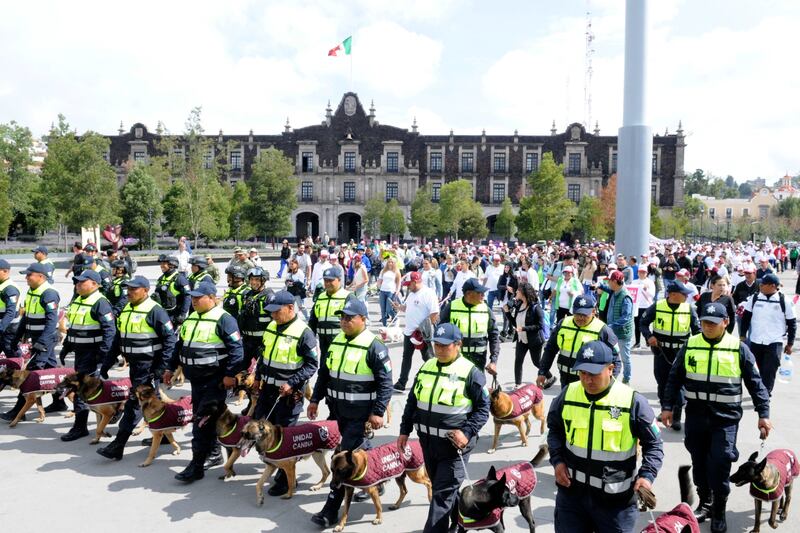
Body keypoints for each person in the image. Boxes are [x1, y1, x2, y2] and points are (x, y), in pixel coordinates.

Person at [661, 302, 772, 532]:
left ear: (726, 322)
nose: (708, 327)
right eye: (704, 322)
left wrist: (763, 414)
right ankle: (706, 503)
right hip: (696, 416)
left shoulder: (739, 348)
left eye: (713, 323)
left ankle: (720, 511)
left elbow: (756, 383)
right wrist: (667, 406)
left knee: (720, 462)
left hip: (726, 418)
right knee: (699, 462)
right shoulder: (691, 344)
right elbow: (674, 378)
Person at [547, 340, 663, 533]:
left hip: (615, 502)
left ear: (610, 369)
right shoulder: (568, 394)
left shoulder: (633, 402)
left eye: (594, 374)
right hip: (572, 497)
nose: (587, 380)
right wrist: (557, 461)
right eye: (583, 373)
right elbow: (555, 431)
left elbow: (654, 444)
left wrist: (647, 476)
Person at [398, 323, 490, 532]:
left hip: (454, 448)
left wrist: (467, 433)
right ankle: (461, 524)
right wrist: (405, 430)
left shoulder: (471, 373)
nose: (439, 349)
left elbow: (483, 409)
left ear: (458, 345)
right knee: (446, 489)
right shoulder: (427, 366)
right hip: (428, 444)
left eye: (444, 346)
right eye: (436, 345)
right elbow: (413, 401)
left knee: (441, 495)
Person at [308, 298, 392, 528]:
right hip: (338, 412)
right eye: (342, 318)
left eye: (349, 318)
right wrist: (315, 399)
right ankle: (377, 479)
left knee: (343, 459)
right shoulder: (336, 341)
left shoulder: (375, 346)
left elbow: (386, 383)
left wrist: (377, 412)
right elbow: (324, 374)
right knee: (360, 449)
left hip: (361, 414)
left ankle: (330, 511)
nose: (344, 322)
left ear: (363, 319)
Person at [163, 280, 243, 482]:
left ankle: (196, 466)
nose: (194, 301)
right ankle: (215, 455)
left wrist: (230, 375)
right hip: (196, 381)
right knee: (210, 421)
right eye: (193, 297)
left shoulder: (224, 319)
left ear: (212, 298)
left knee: (200, 421)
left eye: (199, 297)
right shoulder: (191, 319)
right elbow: (179, 346)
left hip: (215, 381)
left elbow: (237, 350)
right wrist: (169, 368)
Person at [97, 276, 177, 461]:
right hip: (135, 365)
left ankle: (118, 445)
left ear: (145, 290)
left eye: (134, 289)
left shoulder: (155, 311)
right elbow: (119, 339)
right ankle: (164, 434)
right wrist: (108, 361)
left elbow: (170, 340)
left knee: (135, 404)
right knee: (153, 402)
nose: (129, 292)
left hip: (148, 366)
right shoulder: (126, 309)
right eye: (128, 289)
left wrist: (161, 367)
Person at [253, 290, 318, 497]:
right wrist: (257, 377)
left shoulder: (303, 332)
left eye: (277, 311)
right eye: (271, 312)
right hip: (268, 391)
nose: (273, 315)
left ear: (290, 308)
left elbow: (311, 365)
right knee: (263, 429)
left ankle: (285, 479)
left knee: (283, 436)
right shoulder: (271, 327)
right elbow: (263, 355)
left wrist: (292, 383)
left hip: (288, 395)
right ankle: (275, 465)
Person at [58, 270, 117, 441]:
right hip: (80, 352)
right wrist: (67, 346)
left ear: (94, 284)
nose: (78, 285)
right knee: (91, 390)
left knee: (81, 390)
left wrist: (103, 355)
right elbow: (75, 327)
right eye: (76, 282)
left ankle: (80, 427)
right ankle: (113, 409)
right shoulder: (78, 300)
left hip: (93, 353)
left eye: (82, 282)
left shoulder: (100, 302)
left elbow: (110, 331)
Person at [2, 263, 62, 421]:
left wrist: (42, 341)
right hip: (36, 338)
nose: (26, 278)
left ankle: (18, 411)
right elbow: (26, 317)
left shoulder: (49, 293)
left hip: (46, 339)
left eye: (29, 275)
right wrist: (16, 338)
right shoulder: (32, 291)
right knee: (51, 370)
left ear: (40, 276)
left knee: (29, 375)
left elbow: (51, 321)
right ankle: (59, 401)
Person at [640, 281, 701, 431]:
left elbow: (697, 331)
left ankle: (677, 416)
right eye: (684, 294)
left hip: (681, 353)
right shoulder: (658, 306)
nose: (687, 296)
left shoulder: (689, 309)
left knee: (679, 384)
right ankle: (665, 410)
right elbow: (643, 322)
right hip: (661, 352)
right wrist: (649, 337)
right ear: (673, 295)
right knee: (662, 382)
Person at [538, 294, 621, 389]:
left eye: (584, 315)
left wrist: (608, 383)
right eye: (578, 314)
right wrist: (542, 372)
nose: (580, 318)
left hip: (590, 382)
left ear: (593, 312)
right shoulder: (563, 324)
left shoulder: (603, 330)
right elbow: (550, 350)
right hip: (565, 380)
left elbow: (616, 360)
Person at [739, 273, 796, 393]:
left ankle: (765, 395)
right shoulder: (754, 298)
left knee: (770, 370)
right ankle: (760, 391)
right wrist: (742, 335)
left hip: (774, 341)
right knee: (757, 370)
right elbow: (746, 318)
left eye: (763, 284)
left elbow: (792, 323)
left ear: (773, 286)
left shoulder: (784, 301)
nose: (760, 285)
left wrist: (790, 343)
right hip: (756, 340)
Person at [438, 278, 500, 376]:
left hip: (478, 360)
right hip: (456, 359)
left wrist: (493, 361)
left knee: (477, 389)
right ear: (468, 294)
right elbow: (440, 334)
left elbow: (494, 336)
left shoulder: (486, 310)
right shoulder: (452, 307)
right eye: (480, 292)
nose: (483, 295)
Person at [392, 271, 439, 391]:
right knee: (406, 357)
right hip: (409, 332)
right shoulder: (412, 294)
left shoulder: (428, 293)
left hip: (422, 334)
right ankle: (401, 383)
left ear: (416, 281)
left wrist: (423, 328)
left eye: (409, 284)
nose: (407, 286)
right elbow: (408, 307)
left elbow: (434, 314)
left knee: (429, 359)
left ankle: (436, 381)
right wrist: (399, 307)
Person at [308, 267, 352, 366]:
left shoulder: (348, 297)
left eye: (331, 280)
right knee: (324, 368)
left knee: (337, 367)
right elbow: (313, 320)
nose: (327, 283)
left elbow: (353, 322)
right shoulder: (321, 297)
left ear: (339, 280)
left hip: (340, 341)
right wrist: (310, 339)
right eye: (325, 280)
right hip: (323, 342)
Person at [237, 267, 274, 382]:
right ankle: (244, 392)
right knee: (241, 367)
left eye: (257, 280)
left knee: (262, 371)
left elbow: (276, 320)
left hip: (262, 342)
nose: (253, 282)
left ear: (263, 280)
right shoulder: (246, 295)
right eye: (252, 279)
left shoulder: (269, 297)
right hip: (247, 340)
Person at [597, 270, 634, 384]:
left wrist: (611, 325)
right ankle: (610, 376)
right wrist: (599, 286)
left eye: (609, 281)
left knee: (625, 357)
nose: (608, 284)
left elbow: (626, 317)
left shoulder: (626, 297)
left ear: (614, 282)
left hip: (623, 332)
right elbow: (608, 289)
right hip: (612, 331)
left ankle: (626, 378)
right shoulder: (615, 291)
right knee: (610, 354)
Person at [510, 282, 548, 388]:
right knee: (518, 360)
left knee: (536, 362)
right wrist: (507, 313)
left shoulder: (536, 307)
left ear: (523, 293)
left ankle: (549, 376)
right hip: (521, 339)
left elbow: (540, 326)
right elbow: (515, 323)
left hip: (534, 340)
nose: (516, 291)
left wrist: (524, 328)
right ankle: (518, 384)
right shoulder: (519, 305)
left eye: (518, 290)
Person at [153, 254, 191, 327]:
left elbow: (187, 296)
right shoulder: (161, 278)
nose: (161, 266)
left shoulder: (180, 279)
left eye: (164, 263)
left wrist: (182, 314)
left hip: (173, 315)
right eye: (161, 263)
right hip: (161, 314)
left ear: (172, 265)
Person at [631, 266, 656, 349]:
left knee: (645, 324)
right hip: (637, 307)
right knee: (636, 324)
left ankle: (647, 340)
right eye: (640, 272)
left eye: (643, 272)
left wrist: (646, 290)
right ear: (638, 272)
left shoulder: (650, 282)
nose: (641, 274)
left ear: (646, 273)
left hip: (646, 306)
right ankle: (637, 342)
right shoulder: (634, 282)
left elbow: (652, 295)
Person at [0, 259, 21, 356]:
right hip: (3, 326)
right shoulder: (2, 285)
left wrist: (1, 327)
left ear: (5, 271)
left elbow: (10, 312)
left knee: (10, 350)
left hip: (9, 328)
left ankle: (18, 370)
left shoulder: (10, 288)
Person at [377, 257, 401, 326]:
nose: (390, 263)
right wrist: (378, 286)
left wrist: (397, 291)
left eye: (392, 262)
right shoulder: (383, 271)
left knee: (389, 309)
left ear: (394, 263)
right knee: (383, 309)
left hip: (391, 291)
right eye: (389, 262)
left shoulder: (396, 271)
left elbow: (398, 283)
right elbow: (380, 280)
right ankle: (384, 325)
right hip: (382, 291)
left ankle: (395, 318)